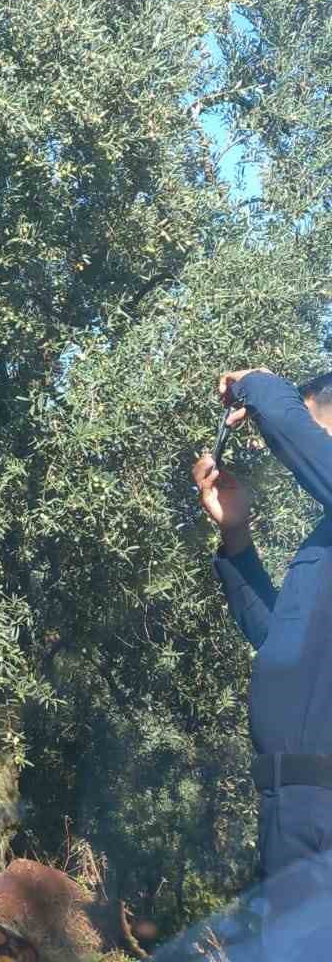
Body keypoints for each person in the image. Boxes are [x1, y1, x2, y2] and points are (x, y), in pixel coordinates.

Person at [193, 366, 332, 948]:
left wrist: (256, 382)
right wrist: (238, 538)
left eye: (318, 430)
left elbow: (290, 429)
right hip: (293, 806)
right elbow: (278, 644)